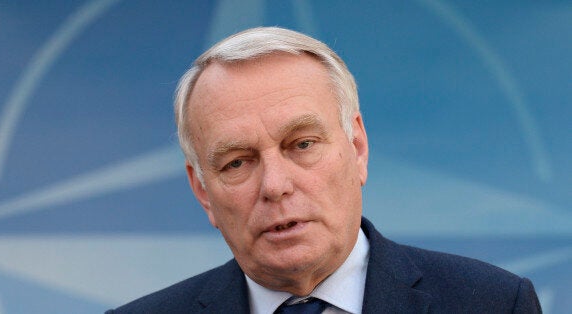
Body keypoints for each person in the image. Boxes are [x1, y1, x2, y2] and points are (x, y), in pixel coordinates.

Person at [107, 27, 541, 313]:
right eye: (237, 162)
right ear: (203, 192)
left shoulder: (494, 304)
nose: (275, 186)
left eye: (302, 145)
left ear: (357, 148)